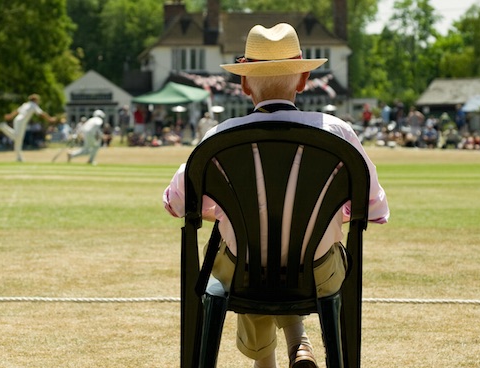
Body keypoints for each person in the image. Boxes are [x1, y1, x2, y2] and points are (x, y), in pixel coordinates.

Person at [162, 23, 390, 368]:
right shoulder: (338, 133)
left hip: (244, 273)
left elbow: (176, 203)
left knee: (246, 253)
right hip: (319, 274)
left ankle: (265, 361)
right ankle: (296, 341)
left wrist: (225, 211)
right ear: (302, 80)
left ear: (243, 83)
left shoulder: (218, 138)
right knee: (276, 254)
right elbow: (373, 207)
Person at [0, 94, 55, 162]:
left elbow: (17, 111)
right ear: (35, 100)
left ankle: (19, 157)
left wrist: (10, 116)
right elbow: (41, 113)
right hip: (21, 121)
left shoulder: (26, 104)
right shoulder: (33, 105)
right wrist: (49, 118)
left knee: (18, 140)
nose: (38, 102)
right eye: (38, 100)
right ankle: (3, 126)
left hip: (18, 119)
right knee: (17, 137)